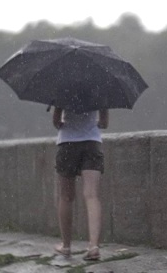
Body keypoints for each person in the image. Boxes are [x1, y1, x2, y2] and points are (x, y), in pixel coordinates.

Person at [52, 107, 109, 260]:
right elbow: (104, 123)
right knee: (91, 195)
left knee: (66, 197)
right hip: (92, 143)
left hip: (67, 144)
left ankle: (66, 246)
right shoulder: (100, 89)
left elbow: (56, 122)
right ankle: (93, 246)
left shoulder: (63, 88)